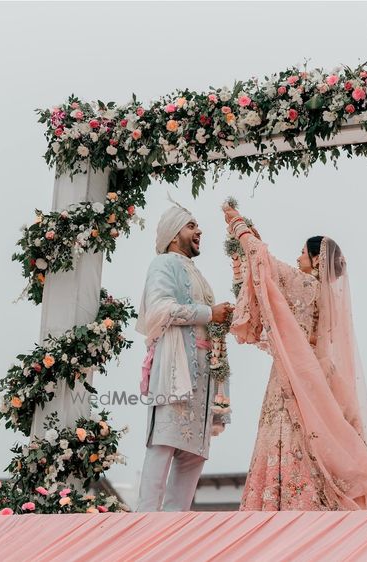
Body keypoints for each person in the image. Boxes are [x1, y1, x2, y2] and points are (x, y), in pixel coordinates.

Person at [223, 204, 367, 511]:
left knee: (286, 427)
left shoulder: (306, 285)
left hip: (295, 371)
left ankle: (284, 502)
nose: (298, 258)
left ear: (316, 260)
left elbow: (264, 261)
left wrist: (238, 226)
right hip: (320, 377)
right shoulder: (330, 299)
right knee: (313, 435)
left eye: (302, 253)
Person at [136, 200, 232, 512]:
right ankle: (144, 526)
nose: (199, 231)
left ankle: (173, 531)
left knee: (193, 457)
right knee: (163, 446)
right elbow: (158, 310)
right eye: (191, 226)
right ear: (173, 234)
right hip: (175, 372)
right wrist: (209, 313)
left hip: (203, 380)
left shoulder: (196, 272)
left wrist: (221, 318)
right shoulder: (163, 264)